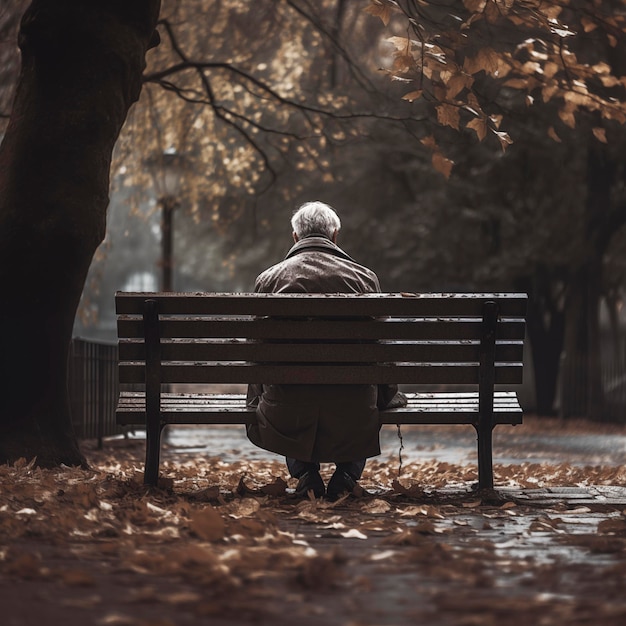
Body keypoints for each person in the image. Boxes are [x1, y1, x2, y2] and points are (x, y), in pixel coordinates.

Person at [246, 201, 406, 500]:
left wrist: (256, 396)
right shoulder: (365, 279)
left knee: (286, 398)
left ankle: (306, 474)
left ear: (295, 238)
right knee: (361, 403)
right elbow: (381, 352)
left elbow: (258, 354)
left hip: (287, 410)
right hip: (353, 408)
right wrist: (388, 396)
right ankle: (346, 476)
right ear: (335, 235)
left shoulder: (269, 280)